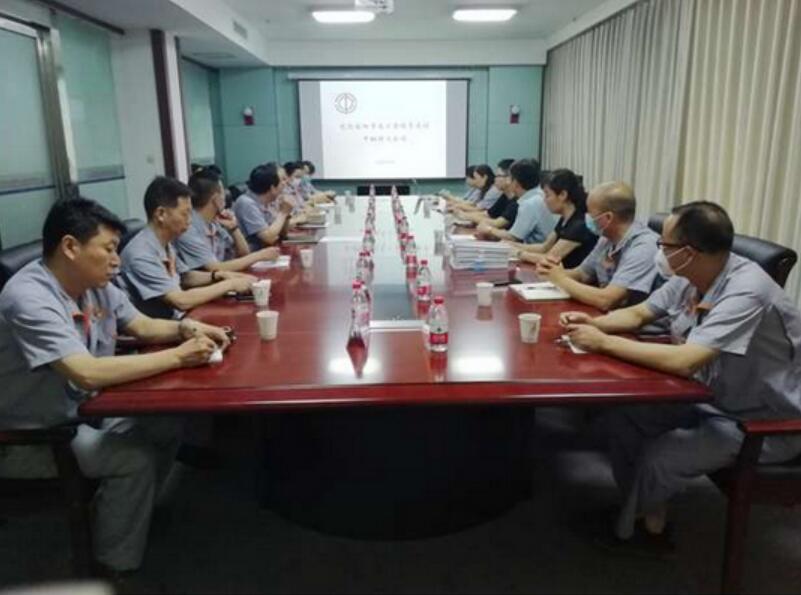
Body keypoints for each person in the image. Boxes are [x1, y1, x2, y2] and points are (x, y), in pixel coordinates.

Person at [0, 198, 229, 574]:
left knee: (167, 424)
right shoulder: (28, 297)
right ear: (70, 247)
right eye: (108, 249)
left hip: (88, 411)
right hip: (38, 434)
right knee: (134, 459)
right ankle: (113, 566)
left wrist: (188, 328)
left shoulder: (93, 284)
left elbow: (142, 326)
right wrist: (179, 357)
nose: (116, 260)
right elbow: (86, 373)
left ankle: (131, 515)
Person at [560, 201, 801, 555]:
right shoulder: (694, 276)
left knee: (661, 456)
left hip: (763, 421)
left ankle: (638, 534)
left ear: (688, 252)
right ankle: (647, 513)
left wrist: (602, 342)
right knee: (626, 419)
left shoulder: (747, 290)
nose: (659, 251)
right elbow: (641, 313)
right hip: (709, 396)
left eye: (664, 244)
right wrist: (594, 324)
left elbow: (686, 361)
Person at [118, 176, 254, 320]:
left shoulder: (164, 243)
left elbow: (185, 277)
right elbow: (181, 301)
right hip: (162, 327)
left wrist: (218, 276)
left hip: (182, 319)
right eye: (185, 214)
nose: (190, 220)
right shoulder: (141, 254)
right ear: (161, 214)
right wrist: (230, 284)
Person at [537, 181, 660, 311]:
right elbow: (582, 274)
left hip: (631, 322)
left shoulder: (644, 247)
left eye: (590, 213)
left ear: (608, 218)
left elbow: (607, 300)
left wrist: (560, 279)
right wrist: (551, 271)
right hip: (607, 316)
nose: (586, 218)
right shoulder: (606, 239)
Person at [175, 168, 280, 273]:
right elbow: (216, 268)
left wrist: (234, 228)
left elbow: (243, 253)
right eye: (223, 192)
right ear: (216, 199)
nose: (225, 196)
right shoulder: (188, 227)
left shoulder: (215, 221)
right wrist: (260, 255)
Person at [508, 168, 598, 269]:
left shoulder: (579, 224)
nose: (544, 200)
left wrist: (518, 253)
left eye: (547, 195)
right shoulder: (565, 219)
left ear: (563, 195)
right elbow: (544, 247)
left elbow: (549, 258)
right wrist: (510, 245)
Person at [476, 158, 557, 244]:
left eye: (509, 178)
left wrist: (489, 229)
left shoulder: (529, 203)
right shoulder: (537, 195)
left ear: (516, 182)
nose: (508, 182)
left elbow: (513, 237)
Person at [232, 163, 294, 251]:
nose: (286, 183)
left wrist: (287, 213)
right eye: (282, 180)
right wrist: (283, 213)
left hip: (266, 251)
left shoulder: (269, 201)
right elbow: (269, 238)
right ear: (272, 188)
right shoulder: (246, 203)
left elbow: (282, 234)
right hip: (253, 255)